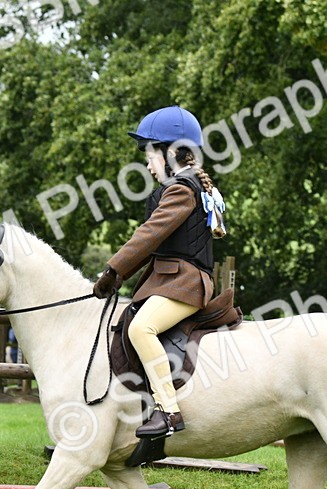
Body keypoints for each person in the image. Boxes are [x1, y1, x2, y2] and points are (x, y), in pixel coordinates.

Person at [93, 106, 227, 439]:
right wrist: (118, 277)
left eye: (150, 156)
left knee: (141, 328)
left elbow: (149, 234)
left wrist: (113, 269)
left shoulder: (182, 189)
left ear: (171, 153)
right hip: (172, 281)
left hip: (185, 283)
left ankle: (168, 411)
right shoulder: (186, 186)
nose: (148, 165)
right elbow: (152, 247)